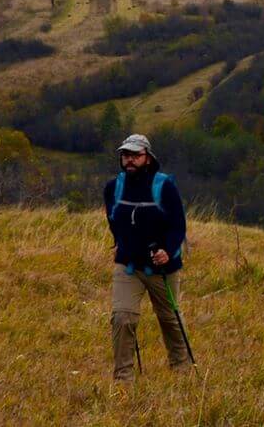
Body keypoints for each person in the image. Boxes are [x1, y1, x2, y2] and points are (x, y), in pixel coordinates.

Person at [104, 133, 193, 382]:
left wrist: (168, 250)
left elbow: (178, 225)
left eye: (135, 155)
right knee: (123, 318)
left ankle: (181, 368)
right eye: (126, 155)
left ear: (148, 158)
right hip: (128, 265)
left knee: (169, 318)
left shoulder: (164, 186)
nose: (130, 160)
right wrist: (121, 244)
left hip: (161, 267)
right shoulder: (113, 187)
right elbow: (113, 220)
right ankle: (123, 378)